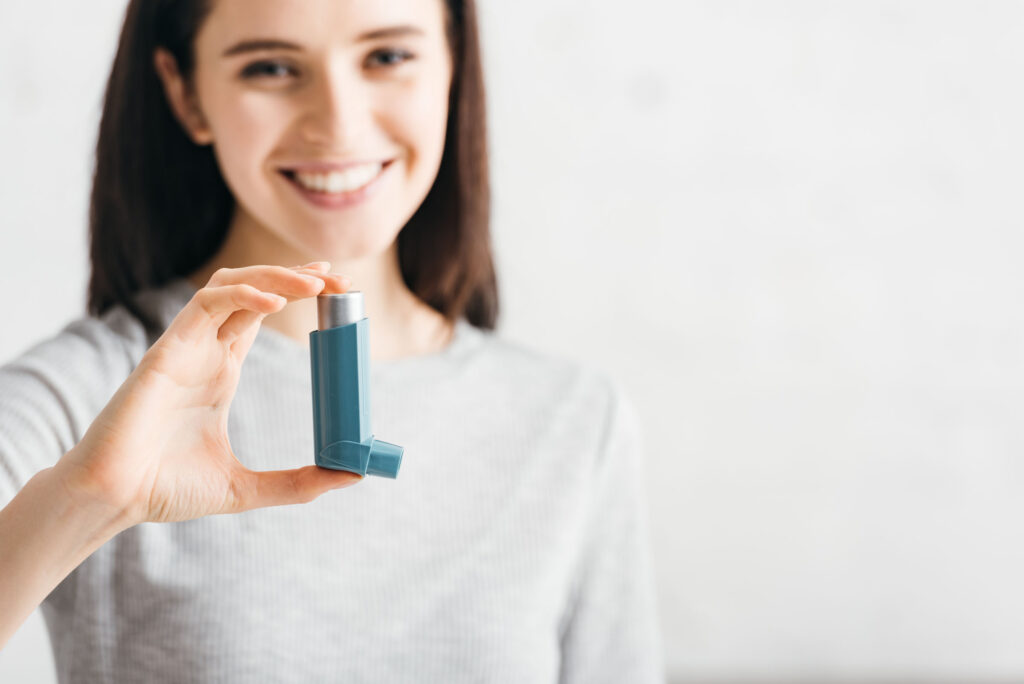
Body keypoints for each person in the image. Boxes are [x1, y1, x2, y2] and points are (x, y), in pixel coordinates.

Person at [0, 0, 663, 681]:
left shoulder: (574, 418)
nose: (338, 125)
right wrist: (86, 500)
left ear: (452, 68)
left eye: (388, 56)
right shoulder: (83, 398)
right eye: (272, 67)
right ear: (187, 93)